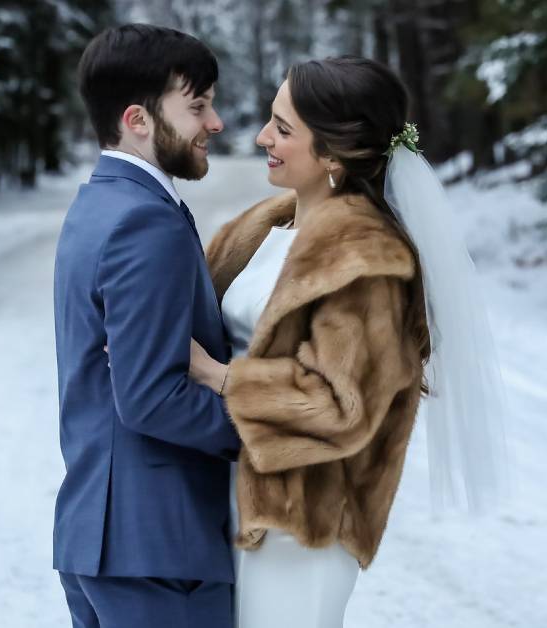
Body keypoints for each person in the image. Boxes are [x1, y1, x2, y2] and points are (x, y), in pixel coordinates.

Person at [188, 56, 510, 628]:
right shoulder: (266, 225)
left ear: (334, 155)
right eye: (271, 119)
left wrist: (217, 375)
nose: (262, 137)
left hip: (303, 521)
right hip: (233, 495)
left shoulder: (367, 260)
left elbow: (341, 406)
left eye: (283, 129)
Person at [52, 24, 240, 628]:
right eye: (198, 106)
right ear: (137, 119)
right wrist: (274, 430)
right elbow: (152, 398)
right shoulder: (144, 221)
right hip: (159, 549)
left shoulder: (98, 204)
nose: (214, 123)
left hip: (107, 540)